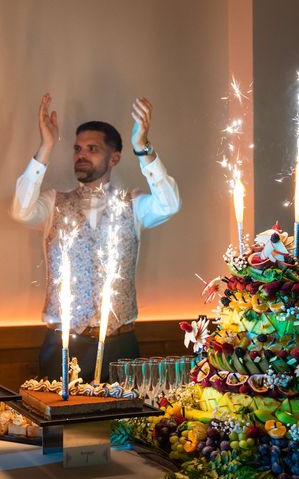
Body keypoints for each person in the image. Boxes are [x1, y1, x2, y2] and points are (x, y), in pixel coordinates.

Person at [11, 94, 180, 383]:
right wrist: (46, 147)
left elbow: (169, 204)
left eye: (92, 148)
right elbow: (21, 211)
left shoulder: (134, 204)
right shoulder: (54, 203)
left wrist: (143, 148)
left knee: (120, 428)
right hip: (62, 345)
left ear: (114, 157)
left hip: (120, 345)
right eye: (77, 148)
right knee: (59, 426)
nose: (81, 154)